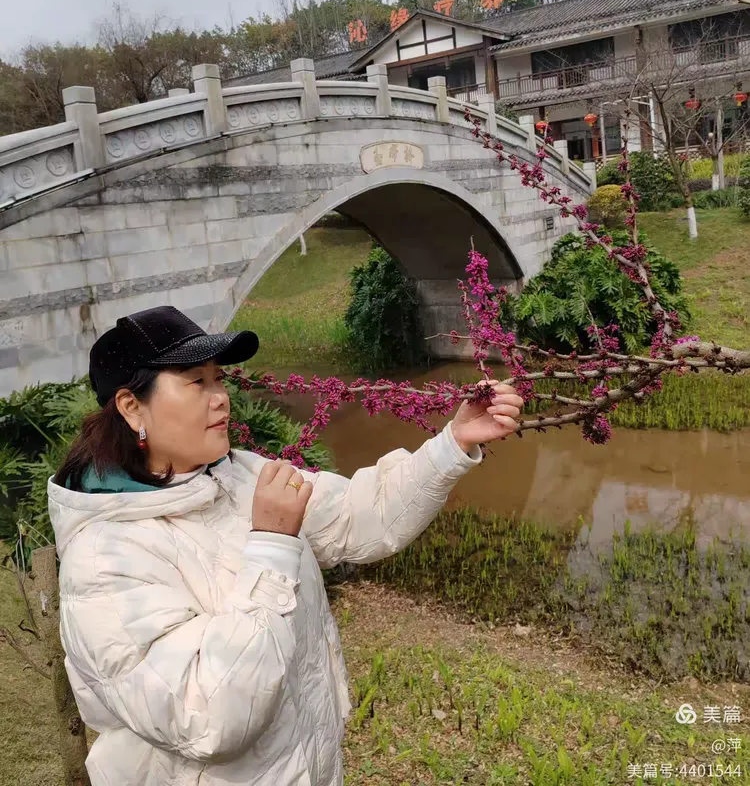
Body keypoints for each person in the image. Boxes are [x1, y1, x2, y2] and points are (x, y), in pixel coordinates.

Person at [48, 305, 524, 786]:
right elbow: (205, 718)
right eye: (197, 382)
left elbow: (356, 516)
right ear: (132, 408)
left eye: (220, 379)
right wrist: (272, 544)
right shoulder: (102, 561)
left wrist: (452, 442)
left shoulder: (238, 475)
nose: (221, 399)